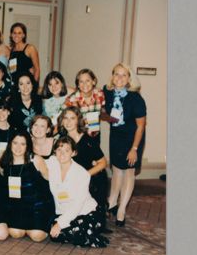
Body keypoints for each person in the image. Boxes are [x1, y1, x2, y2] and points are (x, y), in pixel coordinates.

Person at [38, 136, 109, 247]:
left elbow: (78, 204)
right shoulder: (52, 163)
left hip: (85, 212)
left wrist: (60, 224)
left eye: (67, 150)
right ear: (54, 152)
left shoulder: (82, 174)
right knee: (55, 234)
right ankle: (80, 232)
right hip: (64, 212)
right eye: (59, 150)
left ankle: (86, 232)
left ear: (73, 153)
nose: (62, 154)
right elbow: (36, 161)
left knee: (64, 232)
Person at [103, 63, 146, 227]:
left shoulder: (135, 98)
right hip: (116, 137)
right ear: (112, 77)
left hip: (133, 138)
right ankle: (112, 202)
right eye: (116, 74)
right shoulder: (107, 92)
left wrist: (134, 149)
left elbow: (141, 126)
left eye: (124, 75)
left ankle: (121, 209)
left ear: (129, 79)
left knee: (128, 171)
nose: (119, 78)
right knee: (116, 171)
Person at [58, 106, 110, 231]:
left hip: (89, 178)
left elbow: (102, 163)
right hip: (70, 179)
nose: (69, 121)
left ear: (78, 121)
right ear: (62, 121)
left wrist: (85, 175)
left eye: (72, 118)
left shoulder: (88, 140)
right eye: (66, 118)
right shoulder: (61, 140)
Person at [0, 132, 54, 242]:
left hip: (37, 206)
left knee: (37, 236)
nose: (18, 147)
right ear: (10, 144)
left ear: (28, 146)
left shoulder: (35, 159)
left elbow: (48, 180)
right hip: (16, 206)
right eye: (15, 143)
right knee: (16, 233)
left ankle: (40, 227)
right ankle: (26, 227)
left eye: (23, 144)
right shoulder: (3, 161)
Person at [63, 68, 105, 140]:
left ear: (93, 82)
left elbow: (103, 109)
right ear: (78, 85)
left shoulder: (100, 94)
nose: (84, 84)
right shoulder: (71, 100)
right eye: (81, 81)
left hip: (95, 134)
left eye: (87, 81)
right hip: (77, 136)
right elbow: (61, 118)